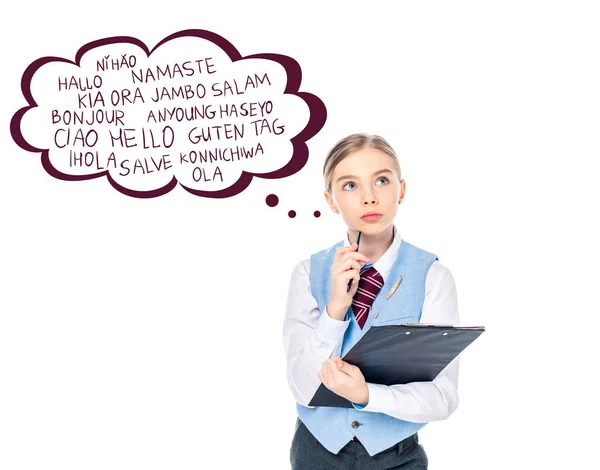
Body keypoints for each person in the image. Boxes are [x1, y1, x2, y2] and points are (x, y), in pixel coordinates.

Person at [283, 133, 460, 469]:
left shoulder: (433, 277)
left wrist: (368, 396)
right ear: (331, 200)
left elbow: (443, 398)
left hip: (397, 456)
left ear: (402, 191)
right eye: (350, 185)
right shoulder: (307, 274)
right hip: (316, 452)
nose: (369, 198)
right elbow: (303, 389)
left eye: (381, 180)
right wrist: (335, 309)